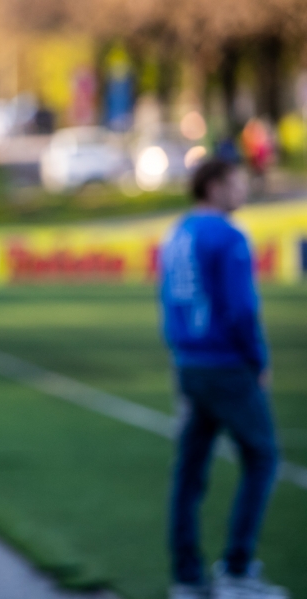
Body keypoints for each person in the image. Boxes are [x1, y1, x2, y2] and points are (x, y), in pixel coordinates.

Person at [159, 159, 287, 599]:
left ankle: (186, 576)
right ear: (213, 187)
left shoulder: (177, 232)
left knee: (190, 472)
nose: (243, 191)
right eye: (236, 184)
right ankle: (236, 569)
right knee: (263, 456)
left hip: (190, 364)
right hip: (226, 366)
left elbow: (169, 302)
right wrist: (258, 359)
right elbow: (240, 308)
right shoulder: (228, 236)